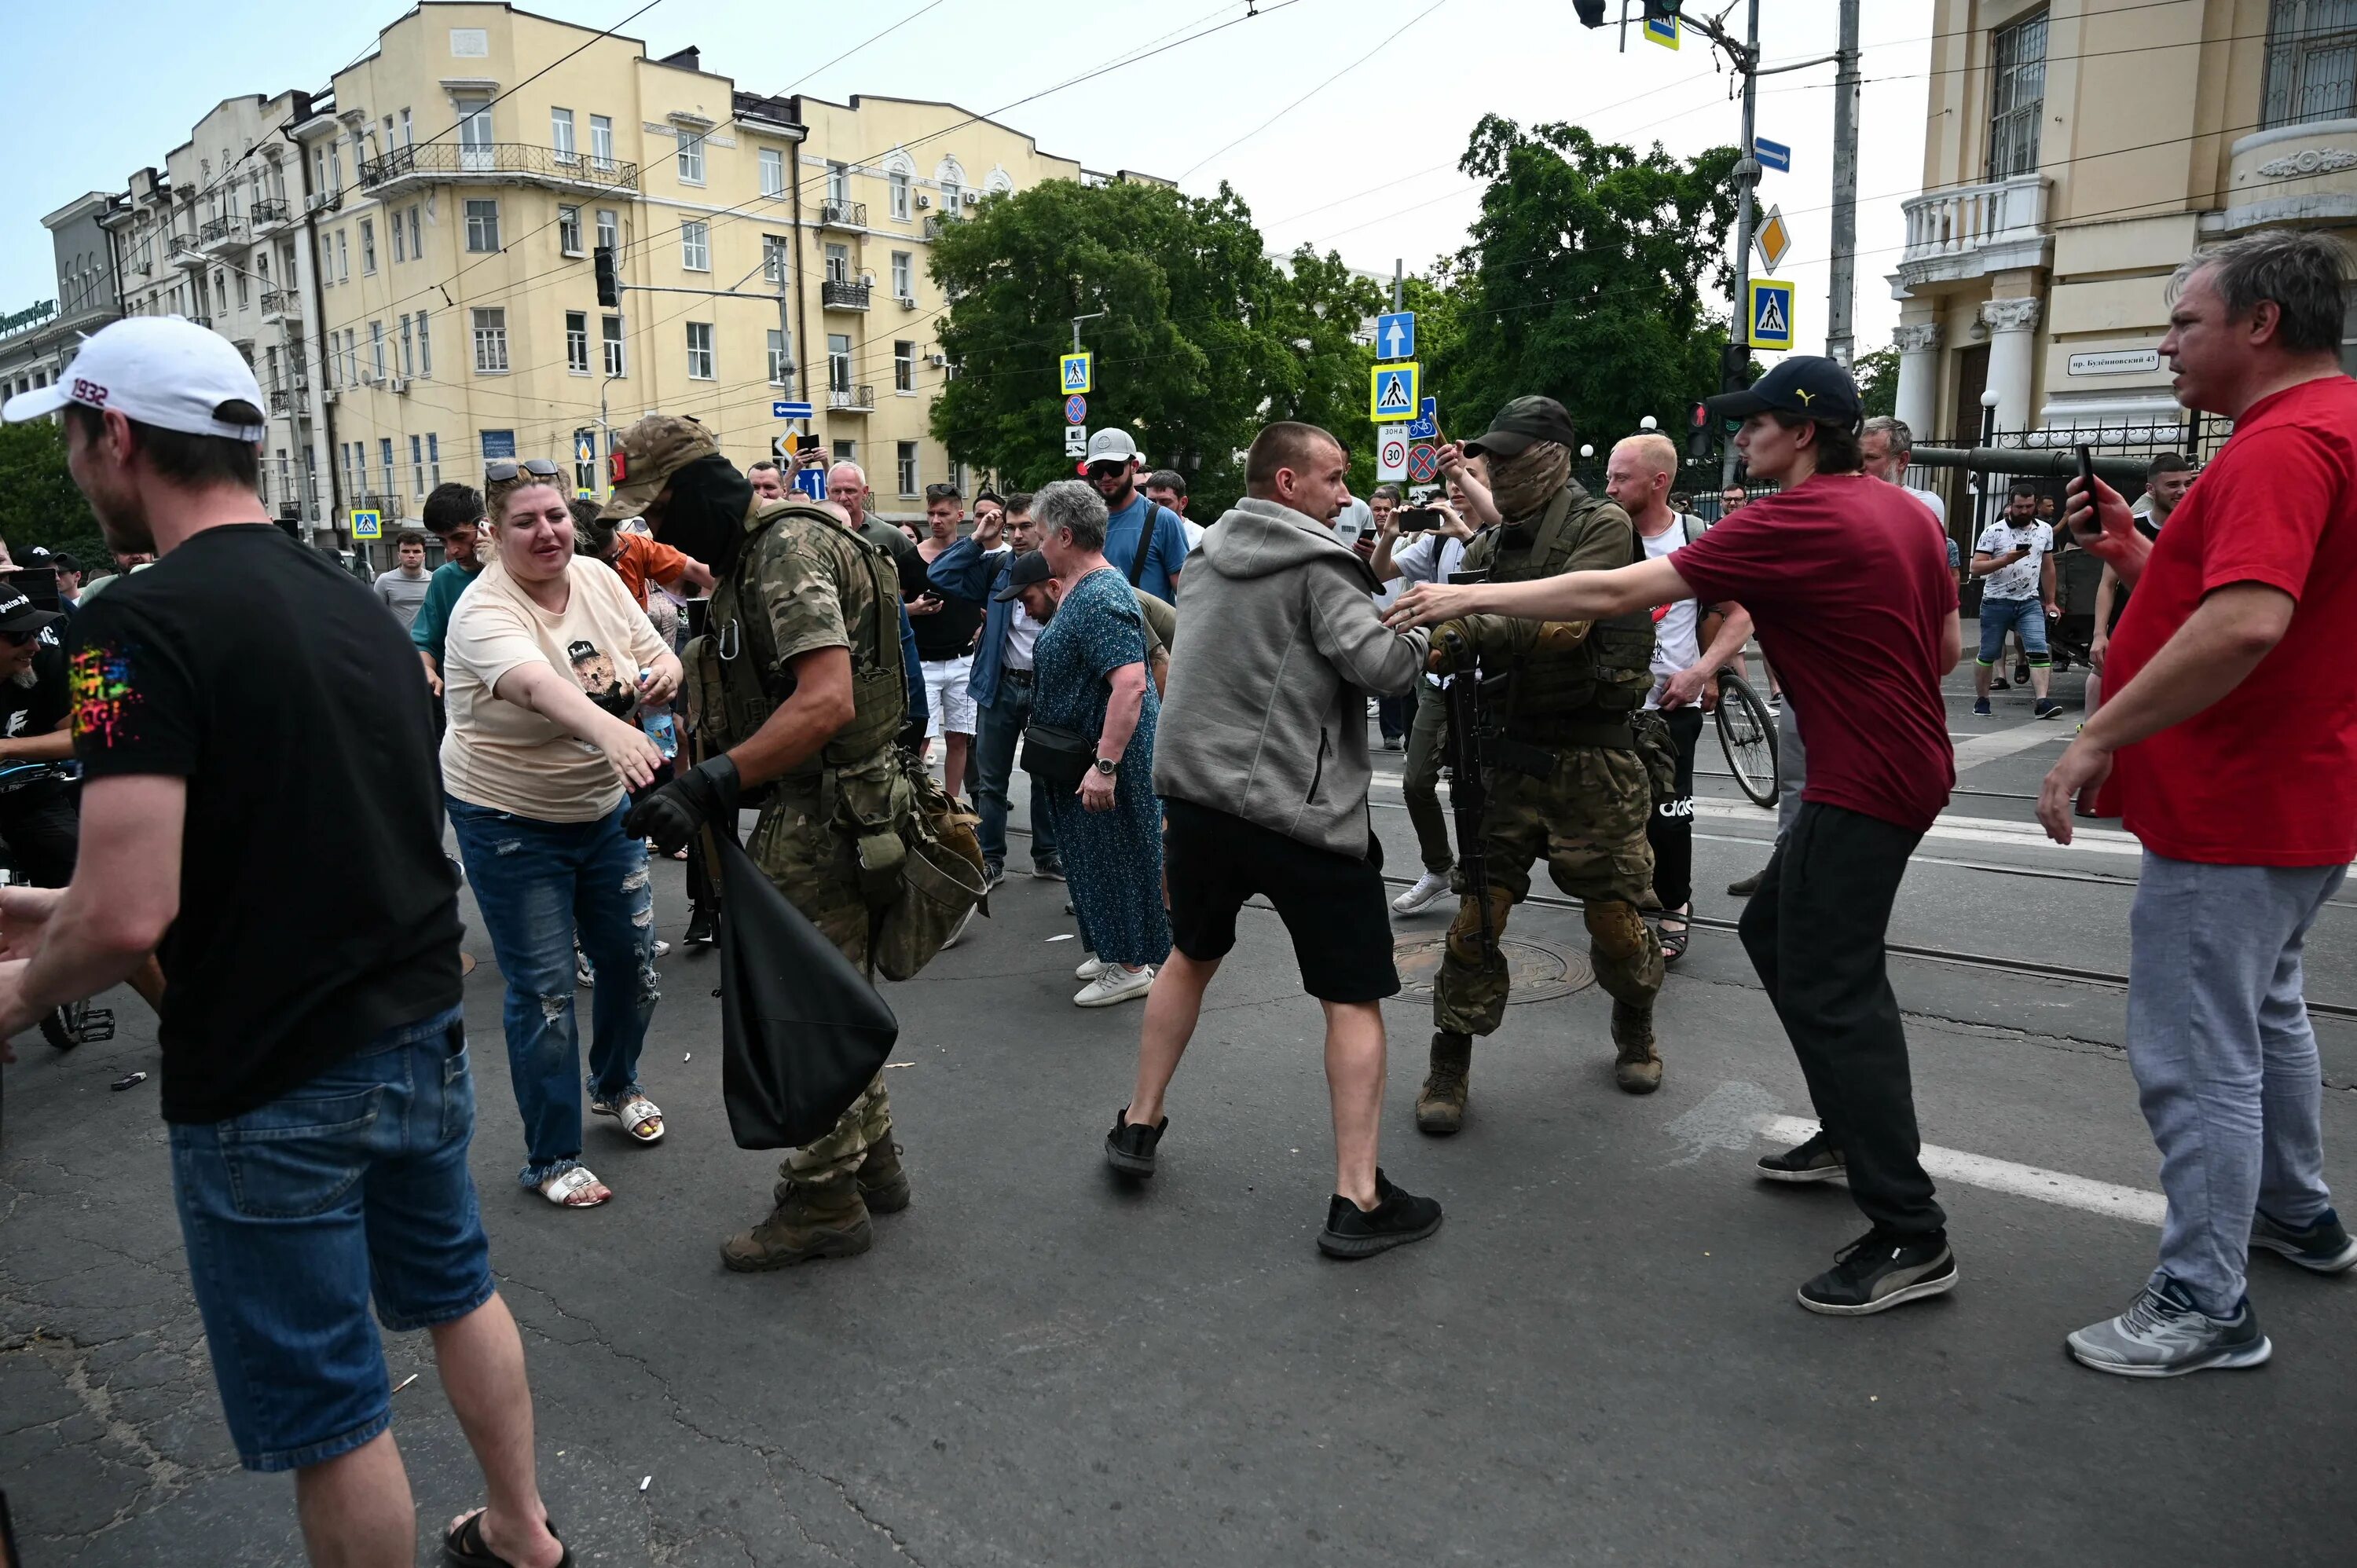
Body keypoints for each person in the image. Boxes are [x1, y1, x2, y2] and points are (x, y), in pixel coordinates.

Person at [0, 316, 568, 1568]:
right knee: (457, 1290)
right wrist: (58, 919)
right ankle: (526, 1537)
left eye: (81, 443)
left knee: (330, 1408)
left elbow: (128, 913)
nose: (82, 472)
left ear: (120, 438)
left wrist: (19, 988)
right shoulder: (351, 597)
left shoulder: (118, 632)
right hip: (414, 1026)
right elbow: (299, 839)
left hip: (271, 1071)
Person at [1392, 356, 1963, 1317]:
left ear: (1805, 432)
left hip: (1862, 782)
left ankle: (1911, 1230)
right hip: (1893, 765)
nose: (1740, 439)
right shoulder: (1907, 511)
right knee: (1780, 938)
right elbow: (1945, 649)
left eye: (1757, 424)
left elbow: (1612, 595)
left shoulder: (1793, 517)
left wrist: (1464, 599)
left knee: (1837, 988)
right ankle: (1846, 1131)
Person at [2037, 232, 2357, 1376]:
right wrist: (2134, 548)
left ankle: (2205, 1298)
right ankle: (2296, 1213)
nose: (2167, 344)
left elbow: (2247, 621)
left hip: (2233, 807)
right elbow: (2273, 592)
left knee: (2195, 1048)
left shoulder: (2282, 444)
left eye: (2184, 322)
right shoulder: (2335, 427)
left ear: (2260, 325)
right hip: (2299, 796)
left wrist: (2094, 738)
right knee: (2266, 1011)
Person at [1112, 420, 1443, 1258]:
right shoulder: (1319, 565)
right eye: (1334, 479)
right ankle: (1359, 1197)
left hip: (1196, 800)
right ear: (1289, 483)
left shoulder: (1211, 550)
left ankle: (1138, 1124)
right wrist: (1427, 628)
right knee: (1353, 997)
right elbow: (1385, 669)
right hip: (1297, 814)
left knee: (1191, 954)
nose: (1348, 495)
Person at [617, 416, 937, 1269]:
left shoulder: (784, 551)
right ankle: (875, 1164)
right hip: (847, 802)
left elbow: (826, 701)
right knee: (836, 990)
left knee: (806, 1010)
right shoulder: (773, 546)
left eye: (658, 510)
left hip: (827, 811)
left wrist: (711, 782)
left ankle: (824, 1200)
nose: (656, 532)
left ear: (694, 491)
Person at [1404, 396, 1670, 1128]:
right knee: (1476, 918)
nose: (1499, 469)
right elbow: (1453, 617)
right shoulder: (1494, 545)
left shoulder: (1601, 527)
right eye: (1494, 456)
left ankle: (1635, 1019)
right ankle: (1448, 1061)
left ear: (1551, 455)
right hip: (1507, 759)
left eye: (1513, 455)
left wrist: (1463, 629)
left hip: (1594, 759)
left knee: (1615, 919)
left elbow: (1563, 623)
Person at [440, 464, 675, 1207]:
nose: (547, 532)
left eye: (556, 517)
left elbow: (654, 645)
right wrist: (613, 729)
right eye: (525, 521)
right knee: (544, 992)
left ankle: (615, 1085)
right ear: (493, 532)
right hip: (508, 817)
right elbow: (537, 687)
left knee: (632, 966)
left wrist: (666, 671)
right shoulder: (483, 610)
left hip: (603, 809)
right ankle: (551, 1156)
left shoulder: (598, 579)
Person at [1603, 433, 1754, 963]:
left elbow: (1740, 613)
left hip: (1671, 709)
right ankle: (1630, 894)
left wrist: (1702, 672)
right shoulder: (1601, 534)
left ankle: (1675, 906)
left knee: (1670, 816)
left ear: (1658, 481)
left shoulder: (1696, 537)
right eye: (1609, 475)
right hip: (1609, 708)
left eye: (1621, 477)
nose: (1610, 485)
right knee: (1613, 816)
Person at [1025, 482, 1170, 1006]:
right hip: (1084, 753)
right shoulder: (1085, 590)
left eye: (1041, 537)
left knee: (1118, 855)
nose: (1037, 547)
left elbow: (1131, 683)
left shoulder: (1102, 593)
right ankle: (1115, 950)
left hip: (1107, 757)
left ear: (1065, 536)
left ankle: (1132, 965)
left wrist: (1105, 765)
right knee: (1094, 854)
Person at [929, 491, 1061, 885]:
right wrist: (977, 536)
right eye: (1011, 526)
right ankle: (991, 858)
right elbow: (940, 575)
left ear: (1042, 529)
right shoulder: (997, 567)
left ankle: (1047, 854)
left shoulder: (1059, 572)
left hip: (1045, 688)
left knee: (1045, 774)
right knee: (991, 779)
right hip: (1001, 684)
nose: (1018, 535)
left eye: (1026, 527)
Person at [1369, 483, 1483, 914]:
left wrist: (1464, 535)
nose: (1455, 486)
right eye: (1450, 479)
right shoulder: (1433, 544)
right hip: (1439, 678)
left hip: (1490, 682)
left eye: (1467, 475)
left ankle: (1483, 876)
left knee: (1484, 788)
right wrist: (1392, 533)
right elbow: (1379, 573)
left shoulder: (1499, 534)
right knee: (1416, 781)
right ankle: (1439, 867)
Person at [2084, 452, 2194, 722]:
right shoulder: (2132, 527)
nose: (2182, 491)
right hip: (2129, 626)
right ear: (2150, 489)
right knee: (2098, 679)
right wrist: (2100, 634)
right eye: (2172, 485)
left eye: (2186, 484)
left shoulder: (2200, 528)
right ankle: (2089, 734)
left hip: (2179, 633)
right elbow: (2108, 584)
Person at [1970, 482, 2065, 720]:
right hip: (1996, 601)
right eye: (2019, 506)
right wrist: (2006, 559)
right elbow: (1976, 568)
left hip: (2029, 601)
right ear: (2010, 505)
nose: (2024, 511)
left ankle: (2042, 702)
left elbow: (2048, 567)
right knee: (1989, 652)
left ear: (2035, 506)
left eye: (2029, 506)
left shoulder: (2044, 530)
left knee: (2039, 648)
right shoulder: (1994, 532)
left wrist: (2051, 601)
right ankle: (1982, 699)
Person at [911, 483, 982, 797]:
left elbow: (990, 599)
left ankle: (952, 806)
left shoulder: (972, 556)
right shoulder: (909, 557)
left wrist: (984, 625)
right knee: (919, 740)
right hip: (923, 663)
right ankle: (917, 805)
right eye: (931, 513)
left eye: (943, 513)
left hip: (962, 662)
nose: (936, 519)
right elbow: (889, 608)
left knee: (958, 738)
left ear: (960, 515)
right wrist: (913, 608)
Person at [1080, 430, 1190, 601]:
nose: (1106, 477)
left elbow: (1187, 592)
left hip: (1149, 627)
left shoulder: (1163, 520)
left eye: (1114, 468)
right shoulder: (1083, 524)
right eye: (1097, 470)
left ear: (1134, 466)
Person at [409, 482, 487, 697]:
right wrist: (425, 668)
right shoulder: (443, 578)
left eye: (460, 537)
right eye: (443, 541)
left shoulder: (514, 569)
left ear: (485, 525)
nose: (452, 550)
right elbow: (426, 640)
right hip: (463, 700)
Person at [373, 528, 434, 631]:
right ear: (399, 555)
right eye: (406, 551)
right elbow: (376, 615)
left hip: (427, 643)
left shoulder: (434, 580)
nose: (411, 555)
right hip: (398, 643)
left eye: (416, 551)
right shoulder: (384, 581)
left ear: (424, 556)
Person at [1146, 467, 1201, 553]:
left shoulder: (1199, 538)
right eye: (1151, 502)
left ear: (1183, 503)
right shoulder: (1137, 531)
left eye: (1165, 502)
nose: (1157, 508)